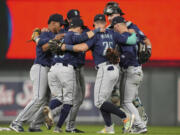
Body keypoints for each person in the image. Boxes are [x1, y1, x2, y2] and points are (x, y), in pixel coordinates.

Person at [60, 14, 138, 134]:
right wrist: (133, 32)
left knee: (99, 102)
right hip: (115, 70)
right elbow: (132, 40)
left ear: (95, 24)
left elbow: (82, 47)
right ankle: (109, 128)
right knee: (102, 101)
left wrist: (65, 47)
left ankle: (125, 117)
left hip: (105, 69)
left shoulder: (95, 35)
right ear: (105, 23)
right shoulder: (113, 33)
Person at [44, 17, 103, 133]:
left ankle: (49, 108)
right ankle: (57, 128)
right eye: (81, 29)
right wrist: (96, 31)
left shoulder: (61, 35)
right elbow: (82, 38)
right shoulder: (72, 35)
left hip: (53, 70)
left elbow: (50, 46)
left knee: (59, 98)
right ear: (79, 28)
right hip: (66, 69)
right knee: (69, 101)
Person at [9, 13, 64, 132]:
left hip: (48, 70)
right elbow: (44, 47)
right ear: (53, 23)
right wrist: (54, 39)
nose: (61, 27)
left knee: (45, 101)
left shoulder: (54, 34)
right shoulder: (44, 34)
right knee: (38, 98)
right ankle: (16, 122)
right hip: (40, 68)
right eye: (60, 24)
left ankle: (35, 125)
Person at [104, 1, 152, 133]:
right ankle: (134, 124)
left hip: (129, 67)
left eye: (112, 14)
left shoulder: (129, 26)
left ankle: (140, 122)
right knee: (121, 98)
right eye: (107, 15)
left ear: (119, 14)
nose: (109, 17)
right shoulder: (110, 29)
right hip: (121, 68)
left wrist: (148, 49)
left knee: (129, 99)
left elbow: (145, 40)